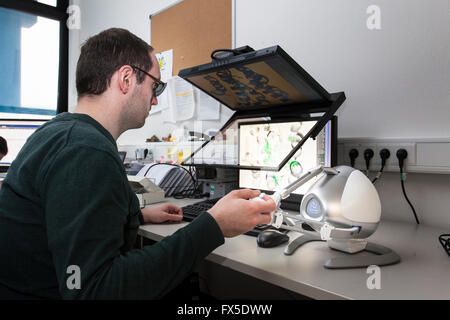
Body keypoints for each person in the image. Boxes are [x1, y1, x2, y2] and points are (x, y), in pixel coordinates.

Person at [0, 28, 275, 300]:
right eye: (155, 86)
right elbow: (94, 290)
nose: (155, 99)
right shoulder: (86, 150)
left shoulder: (58, 131)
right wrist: (214, 225)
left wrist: (136, 216)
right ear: (127, 79)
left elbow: (61, 218)